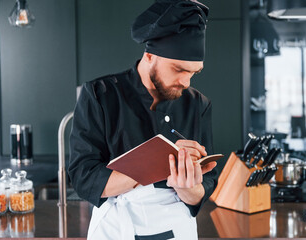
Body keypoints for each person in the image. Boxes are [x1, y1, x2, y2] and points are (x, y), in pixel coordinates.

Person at [68, 0, 218, 239]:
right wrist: (156, 165)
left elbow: (205, 186)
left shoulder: (198, 104)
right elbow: (84, 178)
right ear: (149, 56)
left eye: (194, 72)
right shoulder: (100, 94)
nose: (187, 83)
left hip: (177, 229)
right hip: (118, 227)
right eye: (179, 70)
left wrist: (186, 187)